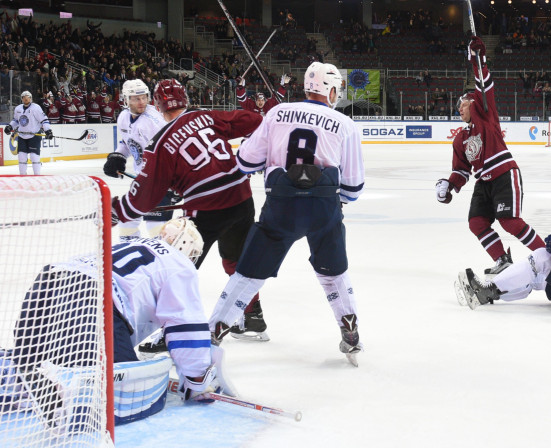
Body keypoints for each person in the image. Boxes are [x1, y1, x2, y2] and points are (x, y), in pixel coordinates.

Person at [0, 218, 235, 430]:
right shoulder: (178, 264)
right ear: (188, 250)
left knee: (36, 369)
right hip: (92, 303)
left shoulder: (128, 241)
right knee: (115, 397)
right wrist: (197, 380)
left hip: (46, 286)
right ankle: (69, 388)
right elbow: (185, 327)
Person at [207, 62, 366, 366]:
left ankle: (213, 333)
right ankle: (350, 331)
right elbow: (353, 188)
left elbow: (245, 161)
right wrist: (336, 204)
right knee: (334, 274)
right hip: (323, 208)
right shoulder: (344, 124)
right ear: (330, 89)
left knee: (248, 273)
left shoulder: (277, 113)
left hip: (280, 206)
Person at [110, 79, 271, 341]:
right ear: (185, 99)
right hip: (241, 197)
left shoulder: (160, 142)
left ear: (158, 105)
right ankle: (252, 317)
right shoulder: (207, 116)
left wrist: (117, 209)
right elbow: (254, 121)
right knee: (236, 261)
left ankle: (174, 333)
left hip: (207, 208)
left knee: (177, 268)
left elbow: (144, 197)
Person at [435, 36, 545, 277]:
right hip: (484, 182)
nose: (459, 109)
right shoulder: (460, 138)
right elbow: (461, 170)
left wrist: (478, 59)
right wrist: (449, 185)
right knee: (476, 222)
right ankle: (502, 259)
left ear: (473, 103)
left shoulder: (486, 115)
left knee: (510, 222)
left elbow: (484, 85)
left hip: (504, 174)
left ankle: (547, 257)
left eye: (462, 105)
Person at [103, 79, 177, 237]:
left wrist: (174, 181)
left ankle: (162, 257)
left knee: (156, 227)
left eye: (144, 97)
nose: (142, 102)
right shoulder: (123, 117)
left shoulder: (153, 122)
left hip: (160, 180)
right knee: (127, 220)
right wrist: (118, 156)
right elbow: (127, 142)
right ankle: (132, 252)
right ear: (126, 99)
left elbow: (171, 150)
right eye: (136, 98)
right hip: (141, 179)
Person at [3, 91, 53, 176]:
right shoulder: (18, 109)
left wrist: (48, 130)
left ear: (31, 98)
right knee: (21, 157)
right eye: (24, 97)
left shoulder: (36, 108)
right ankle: (23, 176)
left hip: (34, 135)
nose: (26, 99)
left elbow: (43, 120)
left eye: (28, 97)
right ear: (21, 99)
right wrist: (10, 126)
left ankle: (37, 176)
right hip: (22, 136)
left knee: (34, 157)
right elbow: (16, 121)